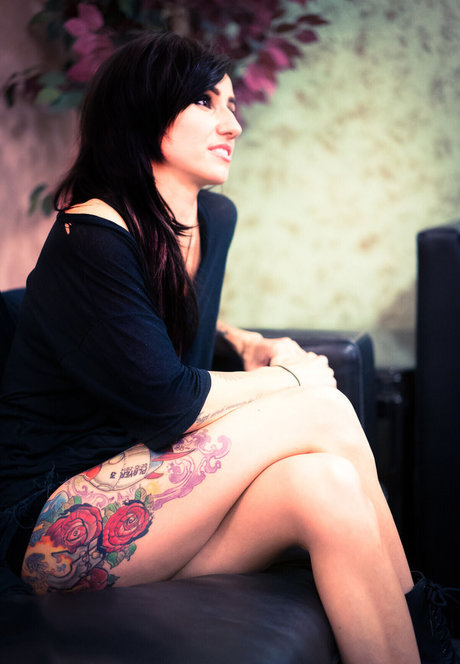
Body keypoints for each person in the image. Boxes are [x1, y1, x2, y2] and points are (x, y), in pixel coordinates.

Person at [0, 31, 457, 664]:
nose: (234, 125)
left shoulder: (212, 220)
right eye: (207, 102)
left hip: (150, 496)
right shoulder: (90, 235)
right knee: (321, 407)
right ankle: (436, 627)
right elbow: (166, 400)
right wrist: (292, 379)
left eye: (233, 105)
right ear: (144, 112)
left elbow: (151, 332)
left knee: (324, 485)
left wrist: (246, 343)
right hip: (52, 525)